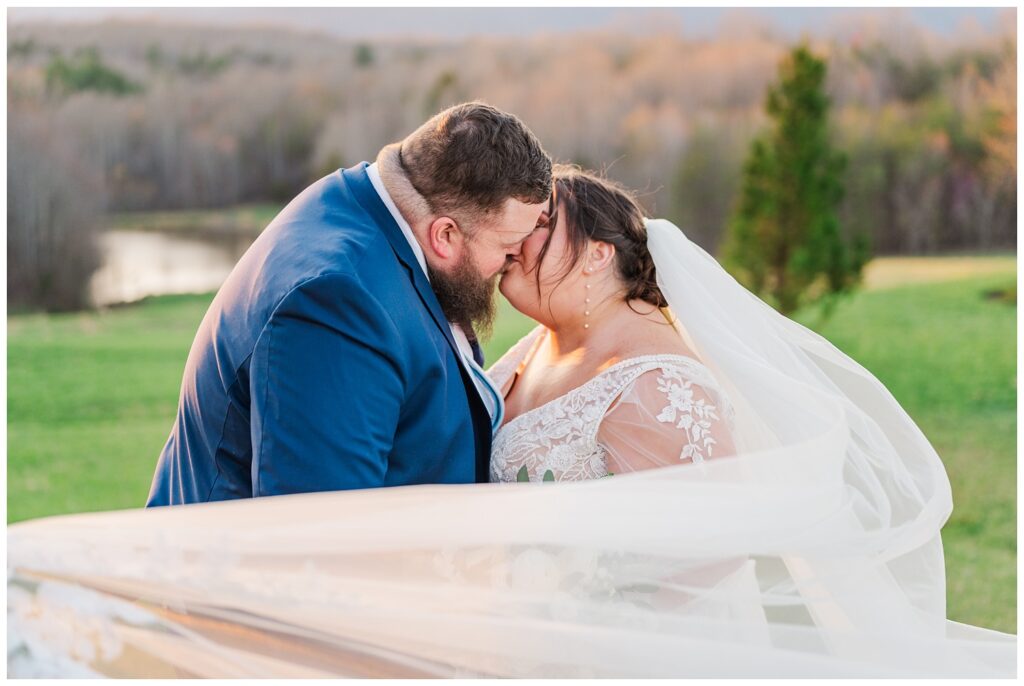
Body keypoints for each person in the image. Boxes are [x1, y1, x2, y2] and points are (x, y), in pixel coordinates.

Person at [8, 168, 1015, 678]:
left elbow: (698, 554)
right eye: (513, 240)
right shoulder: (528, 355)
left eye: (542, 238)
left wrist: (548, 581)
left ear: (608, 255)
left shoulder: (663, 379)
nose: (515, 258)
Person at [145, 102, 552, 506]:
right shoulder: (336, 306)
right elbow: (326, 528)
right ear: (444, 235)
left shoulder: (369, 206)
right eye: (508, 245)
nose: (512, 260)